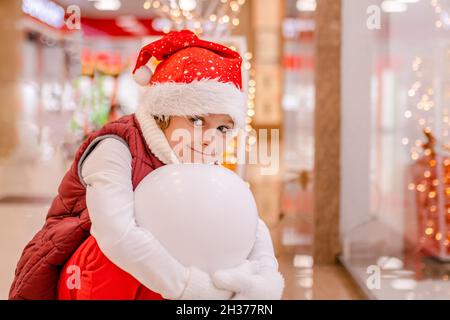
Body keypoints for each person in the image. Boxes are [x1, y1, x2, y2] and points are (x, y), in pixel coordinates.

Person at [10, 30, 284, 300]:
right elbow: (116, 235)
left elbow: (246, 221)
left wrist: (265, 280)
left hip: (142, 274)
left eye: (222, 128)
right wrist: (189, 287)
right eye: (197, 120)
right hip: (84, 266)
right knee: (143, 247)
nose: (209, 140)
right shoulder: (115, 146)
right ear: (164, 113)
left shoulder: (199, 157)